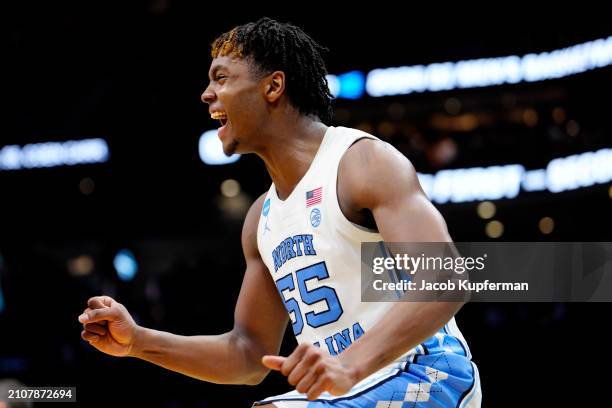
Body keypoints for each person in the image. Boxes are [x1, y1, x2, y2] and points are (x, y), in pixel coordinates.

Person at [78, 17, 481, 407]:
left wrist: (348, 365)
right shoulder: (260, 220)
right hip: (346, 388)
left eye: (221, 78)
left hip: (426, 372)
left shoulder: (361, 163)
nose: (205, 93)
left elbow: (445, 280)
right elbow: (248, 354)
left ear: (273, 86)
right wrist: (139, 341)